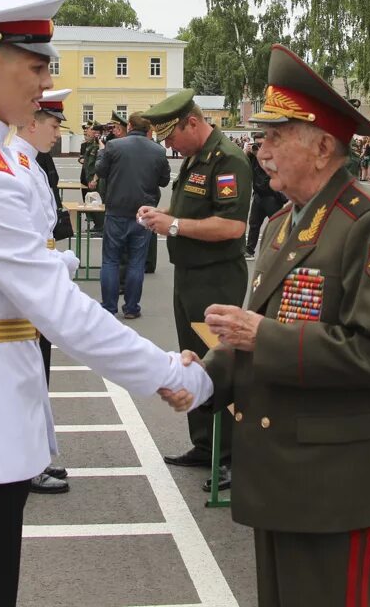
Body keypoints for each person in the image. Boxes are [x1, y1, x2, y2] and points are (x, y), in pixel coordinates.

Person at [0, 0, 211, 607]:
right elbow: (60, 311)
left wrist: (50, 262)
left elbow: (12, 268)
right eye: (36, 68)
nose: (47, 83)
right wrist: (169, 373)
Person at [193, 44, 370, 607]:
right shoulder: (278, 224)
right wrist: (204, 377)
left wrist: (256, 336)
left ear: (322, 147)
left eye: (274, 136)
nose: (260, 149)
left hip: (333, 472)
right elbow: (260, 323)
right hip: (282, 463)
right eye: (260, 136)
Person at [139, 88, 251, 492]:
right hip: (190, 274)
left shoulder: (228, 161)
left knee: (220, 363)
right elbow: (186, 209)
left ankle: (232, 455)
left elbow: (232, 226)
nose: (168, 144)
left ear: (192, 122)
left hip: (216, 277)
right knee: (193, 361)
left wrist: (174, 226)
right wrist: (161, 214)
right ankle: (206, 444)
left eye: (171, 135)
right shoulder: (194, 159)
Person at [10, 89, 77, 496]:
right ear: (32, 122)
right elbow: (28, 242)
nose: (57, 134)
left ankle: (35, 456)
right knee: (29, 375)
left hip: (41, 279)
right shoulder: (20, 167)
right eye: (53, 125)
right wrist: (59, 265)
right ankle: (26, 464)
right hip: (34, 285)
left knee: (37, 374)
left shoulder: (31, 164)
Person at [95, 111, 170, 318]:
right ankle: (131, 307)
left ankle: (109, 306)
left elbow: (101, 171)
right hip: (143, 212)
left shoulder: (114, 146)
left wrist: (101, 152)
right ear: (149, 129)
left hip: (116, 210)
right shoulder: (158, 150)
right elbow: (164, 180)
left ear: (129, 126)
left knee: (111, 260)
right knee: (137, 261)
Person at [244, 134, 287, 260]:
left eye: (262, 144)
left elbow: (271, 170)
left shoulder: (273, 155)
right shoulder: (253, 156)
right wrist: (247, 154)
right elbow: (244, 167)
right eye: (257, 144)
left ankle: (281, 250)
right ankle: (249, 250)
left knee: (278, 225)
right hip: (258, 195)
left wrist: (259, 155)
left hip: (271, 196)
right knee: (254, 224)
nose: (259, 147)